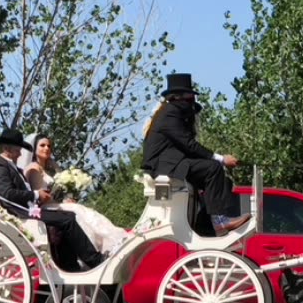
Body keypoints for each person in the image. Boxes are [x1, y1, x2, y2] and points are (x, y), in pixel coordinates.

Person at [141, 72, 250, 235]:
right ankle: (219, 221)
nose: (192, 103)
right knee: (213, 169)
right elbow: (189, 145)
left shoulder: (171, 112)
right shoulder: (170, 113)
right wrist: (221, 159)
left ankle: (204, 225)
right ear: (178, 97)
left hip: (174, 162)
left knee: (223, 181)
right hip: (165, 166)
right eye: (189, 98)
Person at [0, 128, 106, 271]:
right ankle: (94, 260)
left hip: (29, 209)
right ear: (6, 148)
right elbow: (8, 193)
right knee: (68, 219)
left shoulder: (12, 166)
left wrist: (41, 197)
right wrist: (36, 194)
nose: (21, 153)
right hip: (19, 213)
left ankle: (71, 266)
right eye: (18, 149)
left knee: (67, 218)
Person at [17, 133, 131, 256]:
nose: (46, 148)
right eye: (42, 145)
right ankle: (94, 251)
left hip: (55, 204)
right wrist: (57, 198)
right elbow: (39, 197)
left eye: (49, 146)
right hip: (45, 207)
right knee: (77, 210)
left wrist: (65, 198)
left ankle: (111, 240)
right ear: (34, 149)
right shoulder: (33, 169)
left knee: (82, 210)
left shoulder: (50, 166)